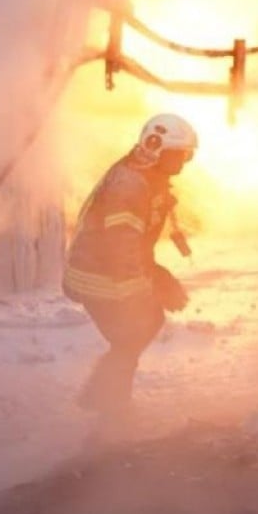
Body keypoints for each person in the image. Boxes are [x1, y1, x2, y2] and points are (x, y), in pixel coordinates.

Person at [64, 113, 197, 412]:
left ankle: (106, 397)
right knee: (136, 329)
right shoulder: (130, 186)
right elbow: (121, 245)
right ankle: (107, 401)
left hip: (105, 272)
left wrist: (155, 275)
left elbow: (134, 244)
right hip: (97, 277)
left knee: (139, 329)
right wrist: (142, 291)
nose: (184, 163)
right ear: (159, 150)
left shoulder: (145, 176)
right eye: (181, 155)